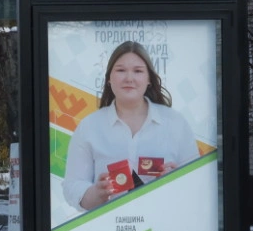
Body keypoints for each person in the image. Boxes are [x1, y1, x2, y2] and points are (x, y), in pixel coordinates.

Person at [62, 40, 200, 213]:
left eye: (138, 71)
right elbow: (72, 186)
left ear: (149, 79)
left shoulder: (176, 123)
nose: (129, 78)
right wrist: (96, 193)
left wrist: (175, 181)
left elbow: (197, 184)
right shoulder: (89, 126)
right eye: (120, 70)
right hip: (106, 230)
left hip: (165, 229)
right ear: (109, 79)